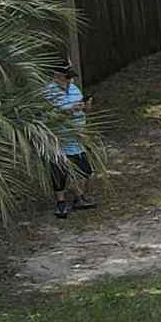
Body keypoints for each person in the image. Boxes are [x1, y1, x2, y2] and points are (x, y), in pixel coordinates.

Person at [49, 72, 95, 217]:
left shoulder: (75, 89)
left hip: (77, 138)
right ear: (56, 76)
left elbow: (85, 112)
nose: (69, 80)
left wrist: (86, 106)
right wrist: (70, 110)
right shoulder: (49, 92)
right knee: (59, 173)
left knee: (85, 171)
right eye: (66, 77)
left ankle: (78, 197)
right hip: (60, 140)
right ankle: (60, 203)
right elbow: (48, 117)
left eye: (71, 77)